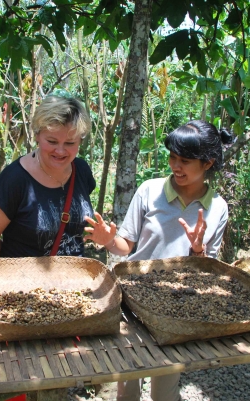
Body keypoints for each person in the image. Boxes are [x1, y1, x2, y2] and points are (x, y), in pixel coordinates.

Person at [85, 119, 233, 401]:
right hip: (132, 299)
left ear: (208, 163)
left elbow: (208, 274)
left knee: (164, 391)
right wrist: (106, 240)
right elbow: (125, 246)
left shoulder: (217, 208)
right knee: (127, 386)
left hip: (176, 308)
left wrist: (198, 252)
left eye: (186, 161)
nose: (176, 166)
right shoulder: (149, 191)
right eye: (173, 157)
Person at [0, 95, 95, 257]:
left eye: (70, 143)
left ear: (80, 140)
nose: (60, 151)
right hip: (26, 279)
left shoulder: (81, 170)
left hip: (73, 278)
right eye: (52, 142)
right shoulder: (15, 179)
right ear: (37, 135)